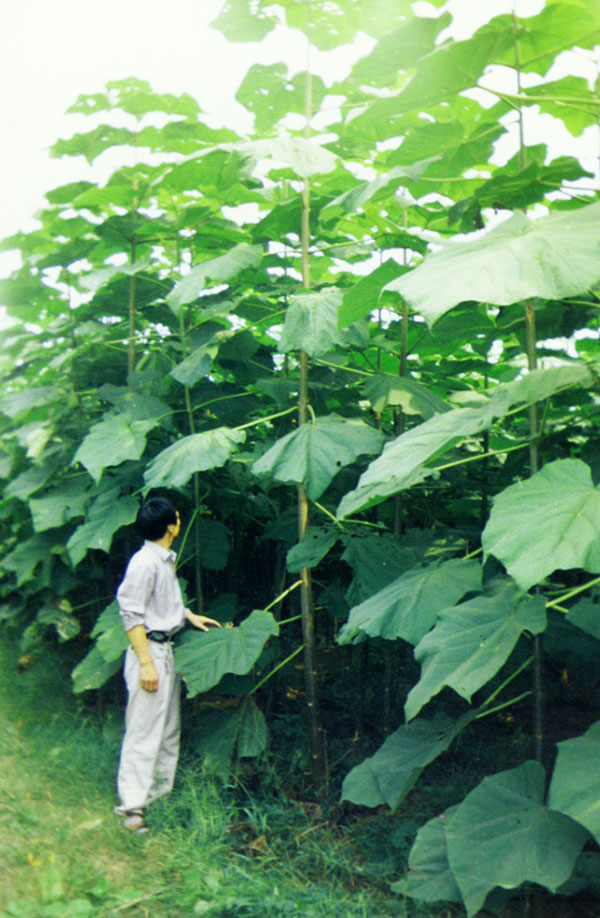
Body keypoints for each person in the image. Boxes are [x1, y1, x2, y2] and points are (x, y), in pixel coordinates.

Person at [115, 496, 220, 833]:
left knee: (167, 729)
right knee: (144, 730)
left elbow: (161, 604)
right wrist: (146, 664)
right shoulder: (145, 562)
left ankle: (158, 795)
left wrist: (188, 616)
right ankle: (132, 808)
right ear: (171, 526)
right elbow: (132, 613)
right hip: (150, 653)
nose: (179, 519)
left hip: (165, 651)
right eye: (177, 516)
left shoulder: (162, 560)